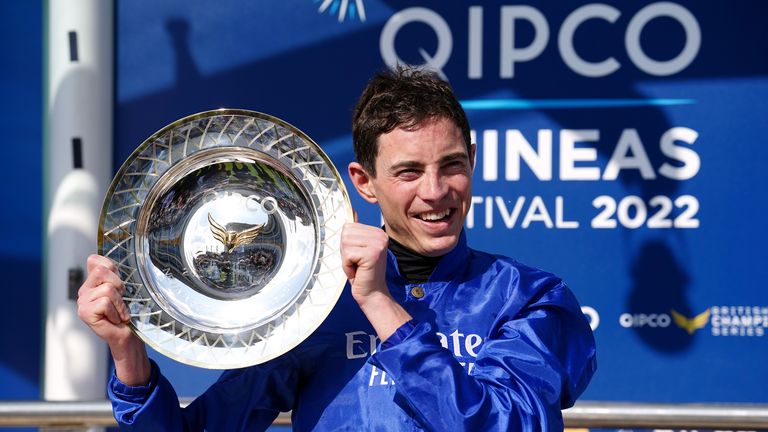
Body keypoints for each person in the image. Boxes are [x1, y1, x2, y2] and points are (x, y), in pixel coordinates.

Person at [78, 66, 596, 431]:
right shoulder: (312, 303)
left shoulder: (532, 298)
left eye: (452, 165)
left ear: (473, 162)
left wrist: (382, 307)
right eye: (409, 172)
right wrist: (128, 354)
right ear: (364, 182)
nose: (436, 192)